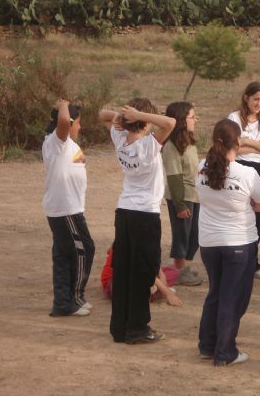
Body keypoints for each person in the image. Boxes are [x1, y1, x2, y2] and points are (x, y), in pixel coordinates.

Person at [99, 98, 176, 344]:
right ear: (144, 123)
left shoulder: (120, 139)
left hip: (124, 212)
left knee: (123, 271)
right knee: (143, 271)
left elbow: (102, 114)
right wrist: (139, 115)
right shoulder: (148, 146)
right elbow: (170, 123)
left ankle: (120, 328)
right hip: (145, 215)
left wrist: (123, 116)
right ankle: (137, 327)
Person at [196, 119, 260, 366]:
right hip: (238, 242)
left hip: (209, 242)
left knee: (215, 293)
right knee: (232, 298)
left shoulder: (200, 168)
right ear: (238, 142)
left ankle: (207, 346)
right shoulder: (246, 173)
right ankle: (225, 351)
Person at [42, 100, 95, 317]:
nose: (79, 127)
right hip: (65, 209)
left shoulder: (68, 144)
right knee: (84, 250)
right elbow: (63, 120)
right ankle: (73, 298)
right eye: (78, 123)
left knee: (64, 255)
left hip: (67, 207)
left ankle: (65, 302)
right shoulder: (57, 140)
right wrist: (64, 103)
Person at [228, 82, 260, 279]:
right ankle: (236, 260)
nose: (258, 103)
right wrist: (259, 146)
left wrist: (247, 141)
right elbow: (233, 147)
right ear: (246, 97)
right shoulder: (234, 117)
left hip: (257, 169)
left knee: (257, 213)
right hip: (238, 166)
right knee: (239, 212)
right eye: (255, 98)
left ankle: (253, 261)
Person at [162, 101, 202, 286]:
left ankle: (182, 267)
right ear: (181, 120)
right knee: (182, 235)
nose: (195, 120)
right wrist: (179, 205)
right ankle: (178, 271)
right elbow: (174, 177)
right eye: (192, 117)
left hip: (193, 194)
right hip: (181, 197)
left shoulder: (189, 141)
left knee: (194, 235)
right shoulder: (171, 146)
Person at [100, 247, 183, 307]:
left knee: (173, 271)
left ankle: (152, 290)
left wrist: (161, 274)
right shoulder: (130, 238)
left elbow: (153, 262)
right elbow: (142, 270)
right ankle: (151, 292)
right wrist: (167, 293)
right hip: (115, 282)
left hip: (137, 277)